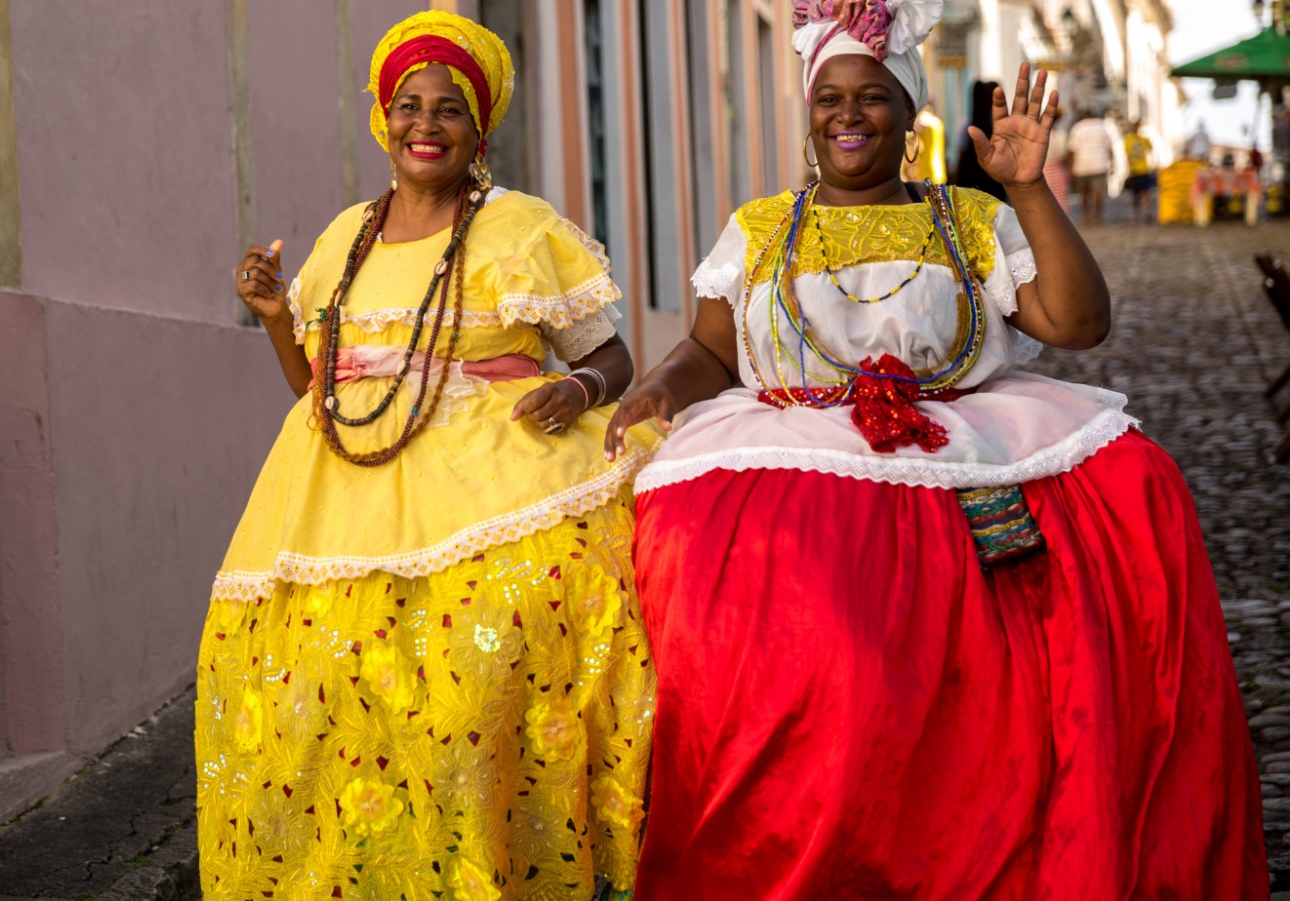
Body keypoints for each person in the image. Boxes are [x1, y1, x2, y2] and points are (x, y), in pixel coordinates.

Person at [604, 0, 1267, 894]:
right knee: (793, 645)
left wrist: (1026, 188)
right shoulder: (758, 230)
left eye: (870, 96)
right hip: (795, 453)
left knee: (1122, 502)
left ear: (906, 113)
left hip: (957, 441)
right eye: (829, 96)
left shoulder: (965, 221)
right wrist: (660, 386)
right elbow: (713, 351)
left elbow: (1079, 323)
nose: (847, 114)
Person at [195, 12, 657, 900]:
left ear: (478, 131)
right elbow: (313, 387)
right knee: (323, 690)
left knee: (484, 683)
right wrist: (269, 315)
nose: (426, 124)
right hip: (340, 485)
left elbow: (611, 355)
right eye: (409, 106)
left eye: (449, 110)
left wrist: (581, 390)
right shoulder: (340, 241)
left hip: (497, 476)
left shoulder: (521, 227)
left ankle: (498, 866)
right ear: (384, 119)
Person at [953, 79, 1008, 201]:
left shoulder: (967, 126)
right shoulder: (999, 128)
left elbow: (961, 157)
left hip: (971, 189)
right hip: (995, 188)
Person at [1067, 109, 1116, 224]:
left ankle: (1086, 216)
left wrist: (1070, 166)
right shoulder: (1102, 126)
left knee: (1083, 193)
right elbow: (1110, 148)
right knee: (1098, 191)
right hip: (1100, 163)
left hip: (1082, 165)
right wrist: (1112, 164)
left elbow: (1072, 150)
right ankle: (1097, 216)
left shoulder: (1077, 128)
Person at [900, 99, 946, 184]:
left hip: (926, 168)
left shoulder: (923, 121)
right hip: (939, 168)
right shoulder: (938, 122)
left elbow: (910, 135)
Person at [1123, 118, 1157, 223]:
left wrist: (1153, 164)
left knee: (1145, 193)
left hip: (1144, 169)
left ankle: (1147, 213)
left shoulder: (1144, 139)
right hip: (1135, 170)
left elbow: (1152, 151)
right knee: (1136, 195)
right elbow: (1128, 156)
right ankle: (1136, 215)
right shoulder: (1128, 140)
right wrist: (1130, 168)